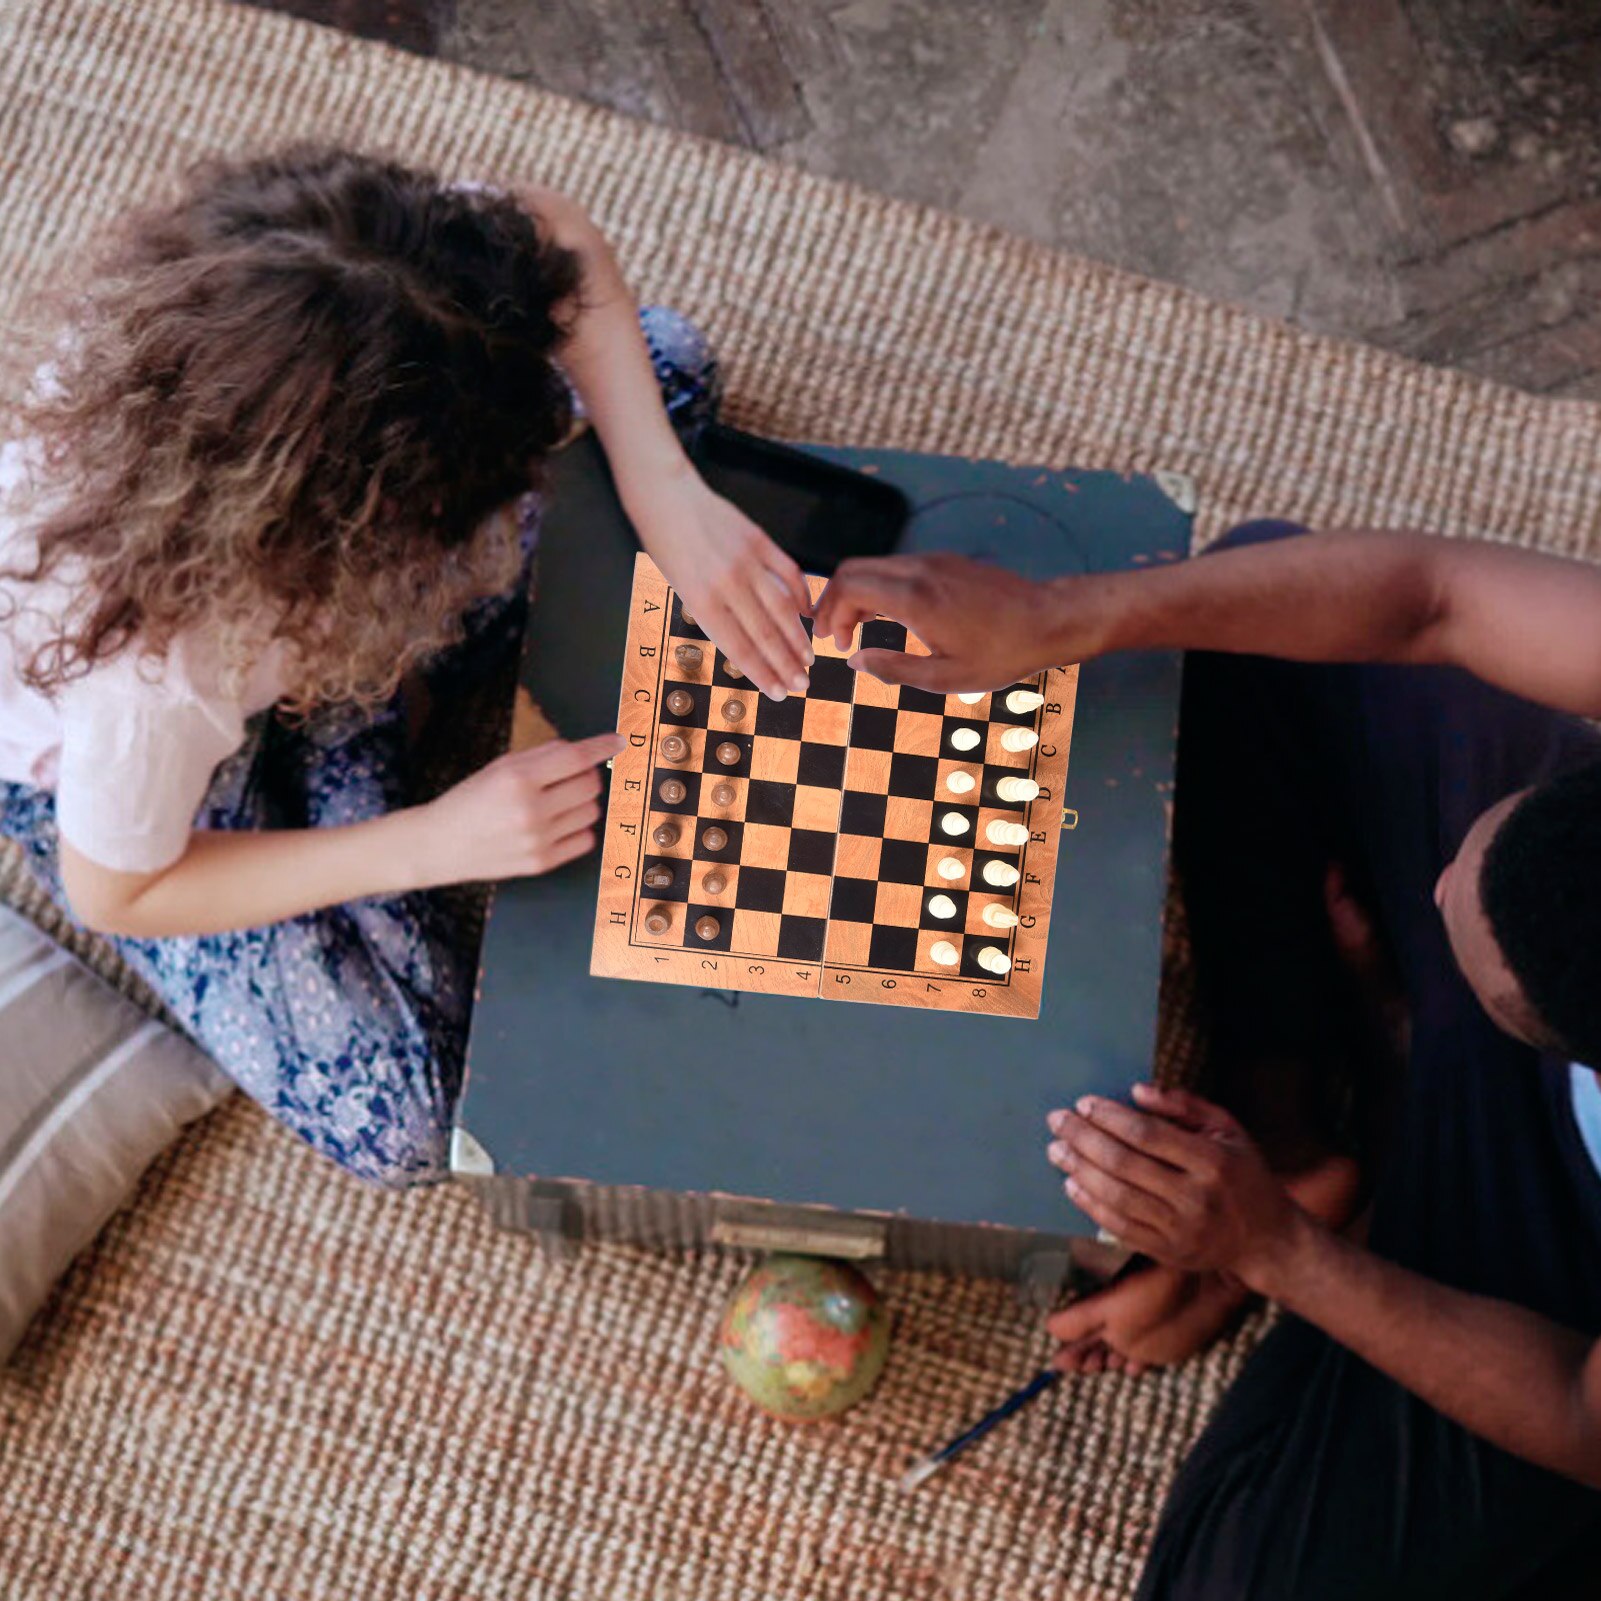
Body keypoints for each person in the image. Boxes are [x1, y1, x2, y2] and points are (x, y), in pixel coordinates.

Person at [812, 524, 1601, 1597]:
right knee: (1235, 612)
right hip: (1534, 992)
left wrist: (1274, 1251)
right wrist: (1062, 616)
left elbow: (1575, 1406)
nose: (1432, 885)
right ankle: (1295, 1123)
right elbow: (1431, 593)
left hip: (1568, 1259)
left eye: (1458, 919)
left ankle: (1377, 1132)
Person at [0, 145, 812, 1187]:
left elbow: (557, 240)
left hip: (285, 625)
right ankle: (351, 751)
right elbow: (118, 889)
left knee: (666, 367)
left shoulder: (390, 271)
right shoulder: (148, 677)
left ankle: (359, 728)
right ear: (342, 545)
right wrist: (431, 841)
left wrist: (664, 494)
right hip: (134, 795)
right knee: (411, 1118)